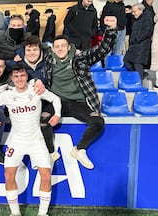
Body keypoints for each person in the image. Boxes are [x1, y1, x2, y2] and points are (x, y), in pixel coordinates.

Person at [0, 64, 61, 216]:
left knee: (46, 175)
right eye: (16, 76)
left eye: (22, 76)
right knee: (8, 174)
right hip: (16, 141)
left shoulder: (35, 90)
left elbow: (56, 99)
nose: (19, 79)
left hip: (36, 141)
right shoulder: (7, 95)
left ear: (27, 77)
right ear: (12, 78)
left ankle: (42, 215)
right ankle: (15, 214)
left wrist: (57, 114)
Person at [42, 16, 118, 170]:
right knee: (42, 122)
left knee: (98, 122)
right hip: (56, 102)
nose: (60, 49)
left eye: (63, 46)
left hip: (78, 102)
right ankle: (51, 154)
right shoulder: (48, 61)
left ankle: (79, 149)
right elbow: (29, 52)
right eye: (57, 46)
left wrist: (110, 30)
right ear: (53, 49)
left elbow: (102, 49)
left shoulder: (80, 58)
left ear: (69, 47)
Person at [123, 3, 154, 80]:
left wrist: (137, 38)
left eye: (135, 11)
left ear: (141, 10)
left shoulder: (147, 17)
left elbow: (148, 31)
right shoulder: (136, 19)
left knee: (138, 63)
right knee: (126, 61)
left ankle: (139, 81)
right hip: (134, 44)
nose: (133, 14)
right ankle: (142, 74)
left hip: (142, 44)